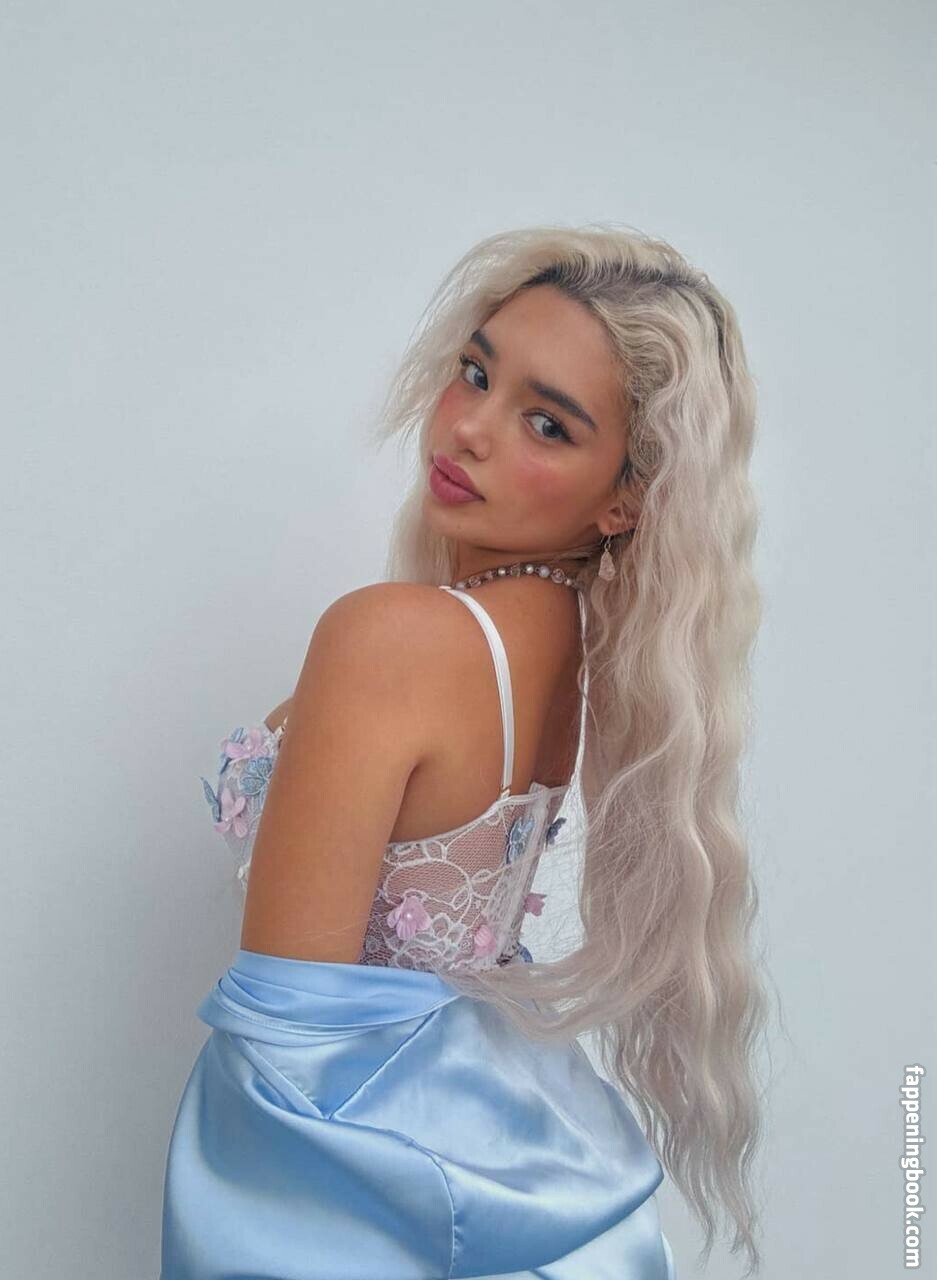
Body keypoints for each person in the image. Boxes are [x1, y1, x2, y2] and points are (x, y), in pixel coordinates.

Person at [161, 224, 771, 1279]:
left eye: (547, 422)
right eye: (476, 373)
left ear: (625, 496)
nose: (470, 428)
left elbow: (289, 1032)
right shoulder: (563, 651)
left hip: (347, 1195)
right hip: (490, 1148)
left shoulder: (394, 637)